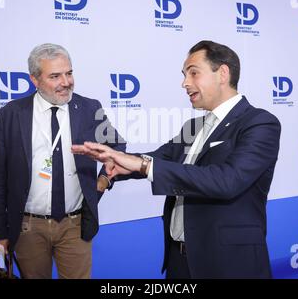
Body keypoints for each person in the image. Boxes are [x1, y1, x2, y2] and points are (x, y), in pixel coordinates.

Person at [72, 40, 281, 279]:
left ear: (223, 73)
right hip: (179, 261)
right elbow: (157, 160)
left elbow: (227, 181)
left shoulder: (260, 123)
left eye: (194, 73)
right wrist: (115, 162)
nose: (185, 83)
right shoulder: (193, 126)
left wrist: (141, 164)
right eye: (184, 75)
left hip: (229, 264)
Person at [0, 43, 125, 279]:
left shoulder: (89, 108)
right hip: (27, 227)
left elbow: (117, 146)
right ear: (35, 79)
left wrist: (103, 181)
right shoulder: (11, 114)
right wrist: (0, 234)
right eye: (55, 76)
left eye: (69, 73)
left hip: (75, 224)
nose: (66, 82)